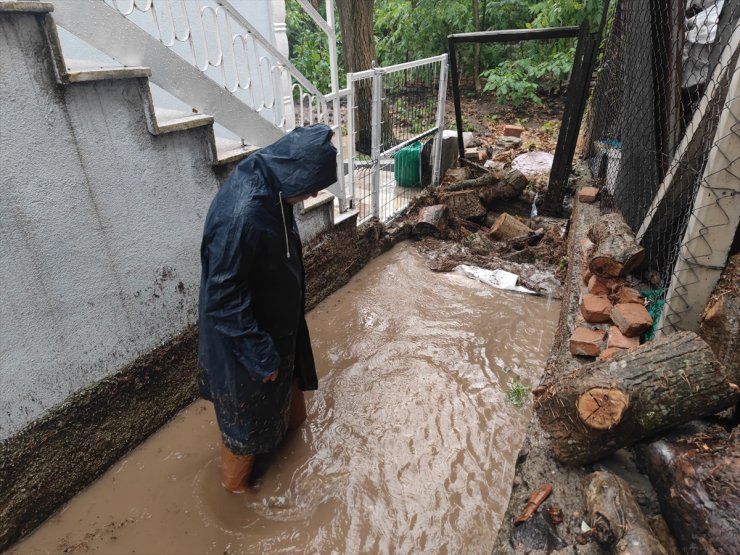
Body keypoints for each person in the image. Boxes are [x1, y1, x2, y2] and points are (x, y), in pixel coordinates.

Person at [197, 123, 337, 493]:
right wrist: (261, 356)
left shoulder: (275, 182)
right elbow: (222, 299)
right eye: (313, 186)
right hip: (244, 342)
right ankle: (237, 500)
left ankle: (293, 452)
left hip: (278, 325)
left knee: (294, 411)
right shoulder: (241, 216)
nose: (315, 193)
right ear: (296, 176)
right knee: (242, 434)